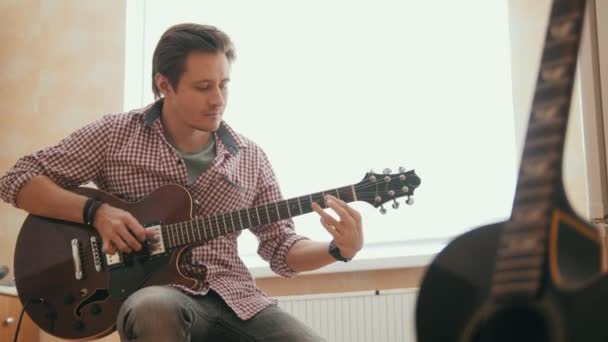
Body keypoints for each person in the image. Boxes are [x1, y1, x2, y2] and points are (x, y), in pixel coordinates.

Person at [0, 23, 364, 341]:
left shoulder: (250, 157)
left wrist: (337, 250)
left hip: (237, 300)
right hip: (158, 296)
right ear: (165, 84)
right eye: (203, 86)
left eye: (224, 84)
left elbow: (282, 249)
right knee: (155, 309)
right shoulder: (115, 136)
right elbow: (17, 181)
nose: (218, 99)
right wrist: (97, 212)